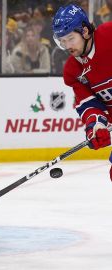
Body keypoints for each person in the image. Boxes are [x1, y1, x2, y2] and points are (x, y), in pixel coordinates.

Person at [52, 4, 112, 178]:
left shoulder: (109, 35)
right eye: (62, 41)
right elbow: (89, 103)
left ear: (85, 31)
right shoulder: (73, 71)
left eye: (70, 38)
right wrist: (96, 125)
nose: (67, 45)